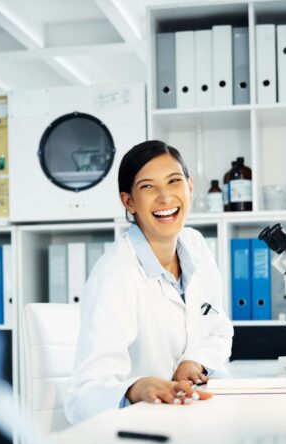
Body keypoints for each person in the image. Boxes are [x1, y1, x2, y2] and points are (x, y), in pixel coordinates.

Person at [64, 140, 234, 424]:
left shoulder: (195, 246)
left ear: (190, 187)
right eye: (147, 187)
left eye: (174, 181)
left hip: (187, 417)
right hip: (137, 435)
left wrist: (193, 362)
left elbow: (218, 331)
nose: (165, 197)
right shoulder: (117, 275)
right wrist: (136, 388)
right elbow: (81, 398)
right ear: (128, 201)